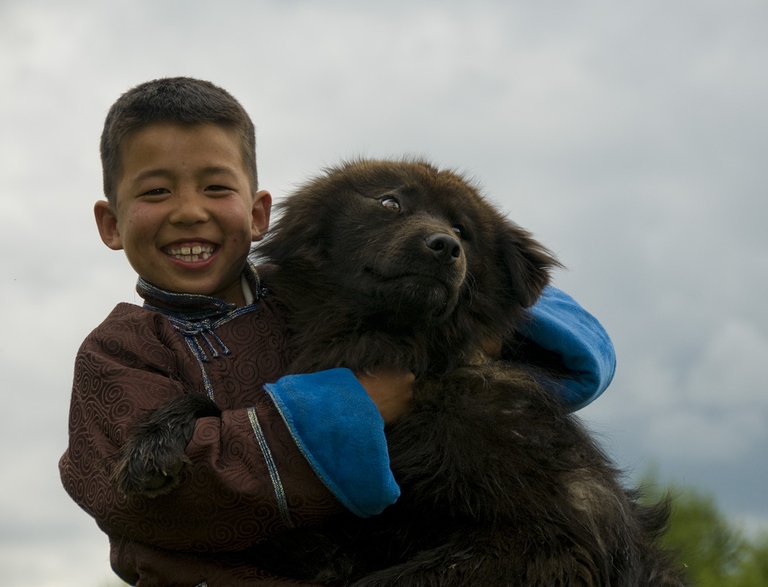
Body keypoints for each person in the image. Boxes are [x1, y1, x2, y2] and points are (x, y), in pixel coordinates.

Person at [59, 77, 616, 587]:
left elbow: (538, 315)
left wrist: (492, 334)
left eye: (215, 188)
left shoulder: (312, 301)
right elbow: (140, 494)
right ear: (111, 223)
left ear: (258, 215)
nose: (188, 211)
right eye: (155, 192)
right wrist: (355, 406)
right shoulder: (121, 353)